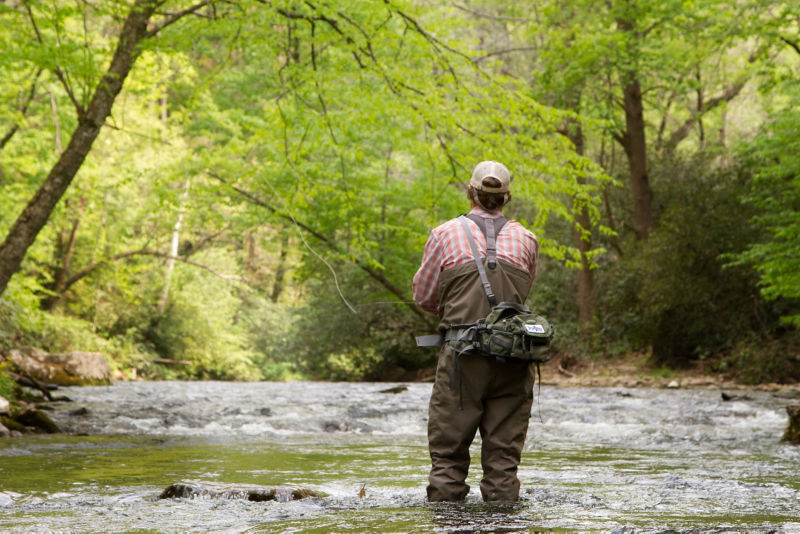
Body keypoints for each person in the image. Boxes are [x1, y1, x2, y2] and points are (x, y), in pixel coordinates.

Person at [412, 160, 539, 502]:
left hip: (462, 360)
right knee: (503, 464)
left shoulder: (443, 234)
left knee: (448, 460)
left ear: (470, 191)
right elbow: (521, 298)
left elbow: (423, 296)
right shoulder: (527, 239)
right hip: (513, 359)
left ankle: (448, 523)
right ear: (507, 197)